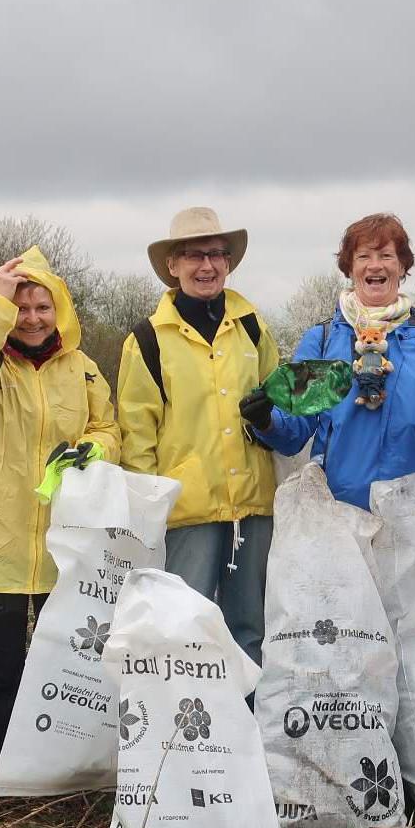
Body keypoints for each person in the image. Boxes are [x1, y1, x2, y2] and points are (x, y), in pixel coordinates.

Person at [0, 247, 118, 796]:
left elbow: (109, 429)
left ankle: (57, 774)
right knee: (0, 668)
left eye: (42, 307)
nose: (32, 318)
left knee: (67, 665)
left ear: (61, 311)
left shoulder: (83, 369)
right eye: (21, 307)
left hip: (67, 543)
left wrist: (91, 450)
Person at [118, 207, 279, 666]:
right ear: (173, 265)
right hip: (185, 511)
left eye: (215, 255)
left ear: (228, 263)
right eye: (193, 255)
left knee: (249, 631)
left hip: (252, 506)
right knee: (182, 630)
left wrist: (270, 422)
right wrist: (146, 514)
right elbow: (137, 433)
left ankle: (246, 732)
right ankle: (187, 734)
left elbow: (280, 402)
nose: (206, 266)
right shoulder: (146, 340)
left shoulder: (252, 326)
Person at [244, 212, 415, 511]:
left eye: (386, 255)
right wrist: (266, 420)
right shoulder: (323, 340)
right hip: (341, 512)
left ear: (402, 266)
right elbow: (295, 434)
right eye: (363, 256)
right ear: (349, 268)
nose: (375, 264)